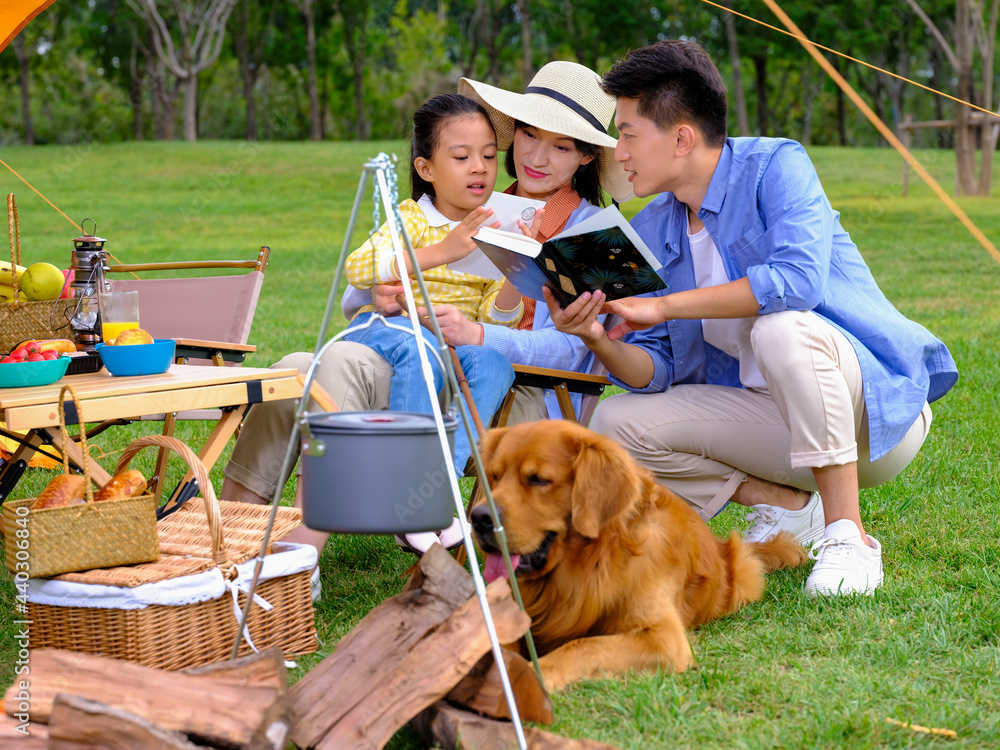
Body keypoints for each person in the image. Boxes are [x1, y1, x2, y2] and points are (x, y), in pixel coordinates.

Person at [546, 40, 958, 597]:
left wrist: (663, 304)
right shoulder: (653, 229)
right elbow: (659, 368)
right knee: (614, 427)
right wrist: (597, 337)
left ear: (682, 138)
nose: (617, 151)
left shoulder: (775, 166)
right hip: (774, 431)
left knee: (781, 327)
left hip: (871, 422)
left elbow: (796, 282)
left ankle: (847, 534)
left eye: (627, 132)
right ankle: (789, 506)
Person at [221, 61, 633, 562]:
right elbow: (372, 282)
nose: (537, 156)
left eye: (562, 146)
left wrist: (480, 336)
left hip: (519, 387)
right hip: (419, 350)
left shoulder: (589, 234)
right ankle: (229, 530)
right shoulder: (473, 204)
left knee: (333, 370)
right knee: (294, 370)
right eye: (528, 134)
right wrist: (378, 296)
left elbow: (572, 351)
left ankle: (309, 549)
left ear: (587, 157)